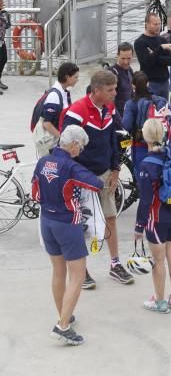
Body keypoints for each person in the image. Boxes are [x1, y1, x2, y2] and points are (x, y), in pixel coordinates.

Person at [31, 125, 104, 346]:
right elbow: (96, 184)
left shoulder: (43, 161)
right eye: (81, 147)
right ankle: (62, 326)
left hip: (46, 221)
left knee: (58, 272)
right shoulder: (71, 166)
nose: (80, 151)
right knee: (78, 275)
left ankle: (64, 314)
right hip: (68, 223)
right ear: (73, 145)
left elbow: (35, 192)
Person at [62, 70, 134, 289]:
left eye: (115, 89)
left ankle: (115, 265)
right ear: (96, 90)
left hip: (104, 174)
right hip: (81, 177)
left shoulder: (110, 109)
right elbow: (67, 147)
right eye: (111, 90)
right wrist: (76, 176)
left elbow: (113, 141)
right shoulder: (76, 112)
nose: (116, 93)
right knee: (80, 225)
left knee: (110, 218)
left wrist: (115, 169)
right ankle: (80, 270)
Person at [134, 118, 171, 314]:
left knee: (159, 261)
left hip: (157, 218)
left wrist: (139, 227)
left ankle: (160, 301)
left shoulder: (146, 164)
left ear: (145, 136)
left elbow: (146, 200)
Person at [123, 71, 171, 177]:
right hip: (160, 145)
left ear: (133, 86)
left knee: (143, 177)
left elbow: (126, 125)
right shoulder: (159, 101)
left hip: (140, 147)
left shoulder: (131, 104)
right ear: (148, 84)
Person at [134, 13, 171, 100]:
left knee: (164, 111)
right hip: (150, 82)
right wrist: (160, 49)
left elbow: (170, 61)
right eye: (155, 24)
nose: (158, 27)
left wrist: (154, 54)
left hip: (164, 82)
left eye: (159, 24)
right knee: (150, 111)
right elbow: (147, 63)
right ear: (146, 24)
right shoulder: (140, 42)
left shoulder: (162, 40)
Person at [39, 62, 80, 150]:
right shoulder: (54, 96)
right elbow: (46, 123)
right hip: (52, 145)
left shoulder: (64, 92)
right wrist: (63, 138)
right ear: (67, 77)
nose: (77, 79)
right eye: (75, 77)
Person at [106, 42, 134, 119]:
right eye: (123, 58)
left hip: (128, 113)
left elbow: (132, 92)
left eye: (128, 58)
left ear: (133, 55)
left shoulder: (129, 69)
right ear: (117, 55)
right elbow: (108, 100)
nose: (126, 62)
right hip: (117, 116)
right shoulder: (111, 73)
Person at [0, 0, 11, 92]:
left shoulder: (3, 13)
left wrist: (7, 16)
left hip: (1, 41)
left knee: (4, 59)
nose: (3, 4)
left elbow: (7, 26)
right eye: (1, 2)